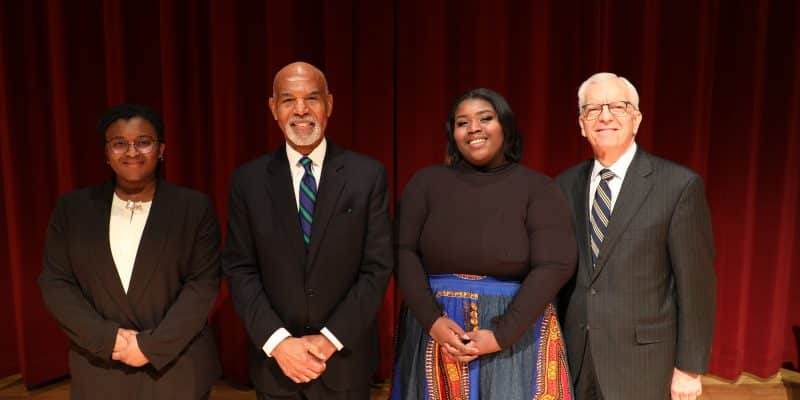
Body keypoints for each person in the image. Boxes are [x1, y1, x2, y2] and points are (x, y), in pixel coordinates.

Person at [222, 61, 393, 400]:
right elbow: (240, 270)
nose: (301, 110)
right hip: (276, 367)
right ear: (273, 108)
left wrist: (329, 339)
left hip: (344, 364)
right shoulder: (248, 181)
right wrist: (279, 343)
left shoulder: (367, 175)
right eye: (288, 100)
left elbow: (377, 268)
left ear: (329, 103)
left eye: (311, 98)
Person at [392, 88, 577, 399]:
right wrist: (432, 320)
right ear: (452, 134)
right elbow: (402, 251)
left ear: (505, 125)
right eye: (462, 122)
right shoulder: (425, 183)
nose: (474, 128)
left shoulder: (539, 188)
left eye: (485, 119)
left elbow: (554, 264)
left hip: (515, 332)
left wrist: (502, 334)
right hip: (437, 328)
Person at [39, 103, 222, 399]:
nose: (132, 152)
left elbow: (203, 285)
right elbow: (56, 283)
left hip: (176, 368)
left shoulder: (195, 208)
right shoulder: (72, 210)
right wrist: (108, 340)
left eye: (143, 142)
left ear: (161, 149)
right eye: (119, 144)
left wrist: (150, 347)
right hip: (100, 365)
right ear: (106, 154)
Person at [556, 72, 716, 400]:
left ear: (636, 119)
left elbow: (696, 287)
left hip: (644, 363)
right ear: (581, 124)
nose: (605, 116)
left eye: (617, 106)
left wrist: (688, 369)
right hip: (575, 358)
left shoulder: (677, 185)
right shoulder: (563, 185)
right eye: (593, 109)